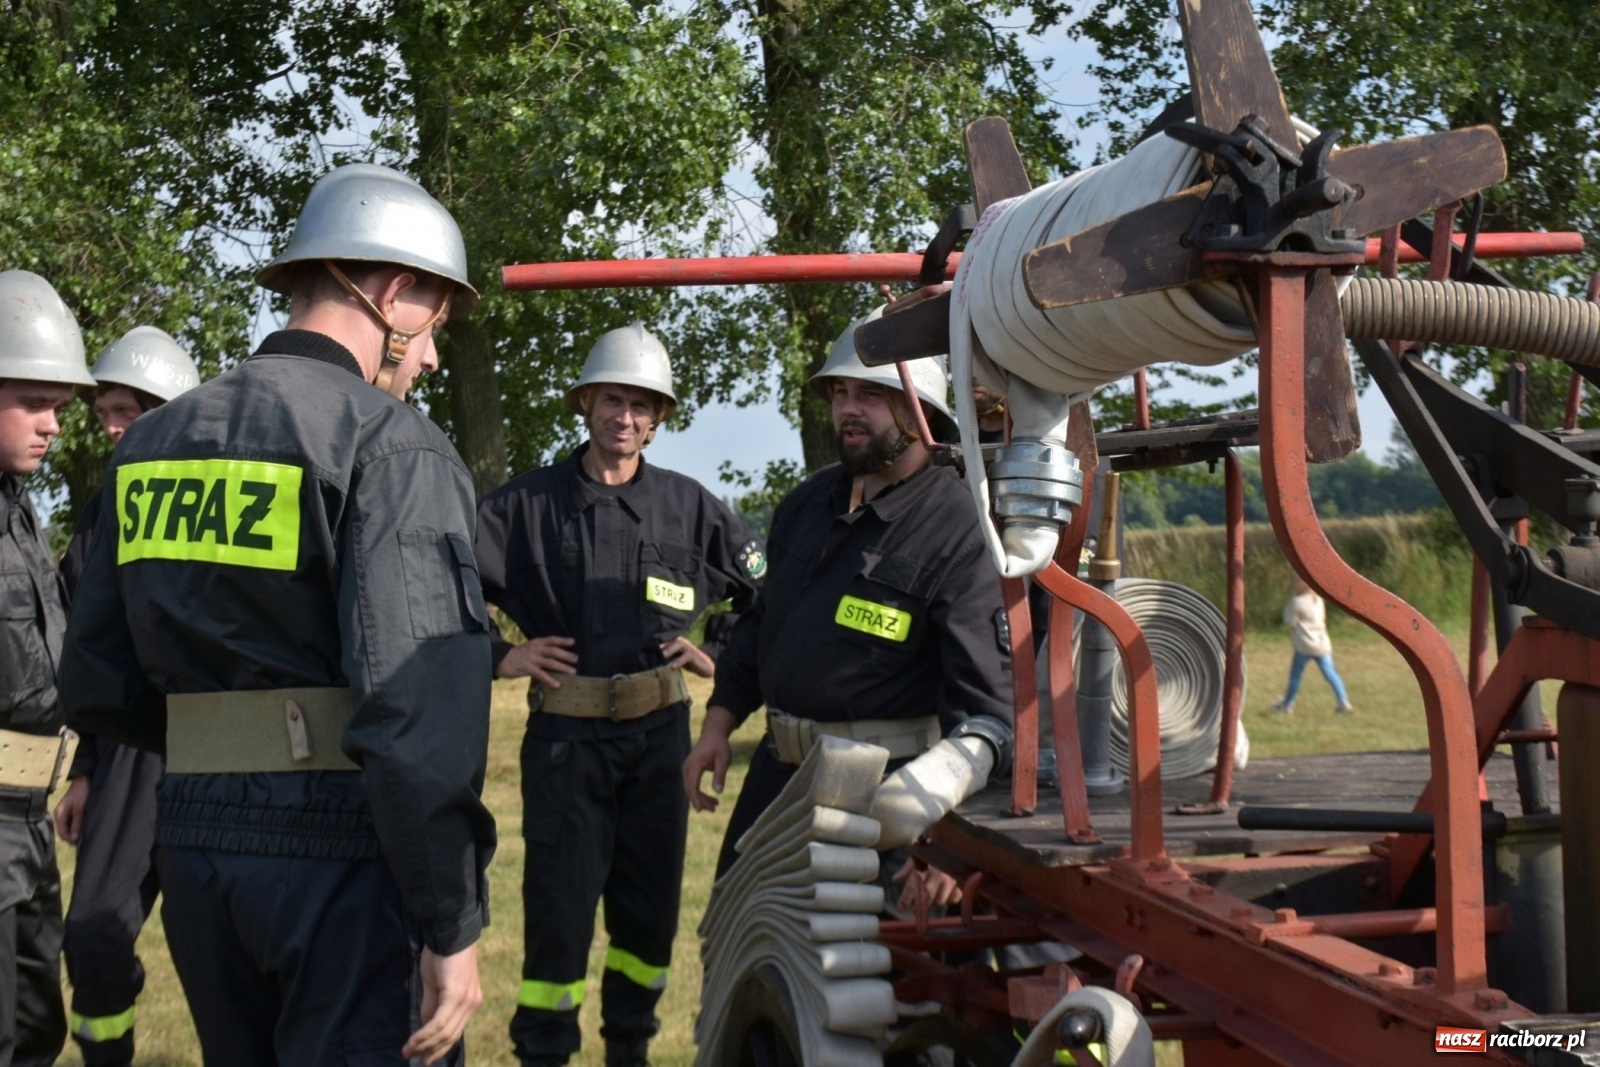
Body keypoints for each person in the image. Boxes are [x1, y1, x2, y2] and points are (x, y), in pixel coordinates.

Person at [59, 163, 497, 1067]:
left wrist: (227, 749)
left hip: (195, 847)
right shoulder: (390, 444)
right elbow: (415, 713)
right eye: (434, 328)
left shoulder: (148, 444)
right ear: (396, 292)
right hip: (341, 848)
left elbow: (99, 679)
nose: (431, 357)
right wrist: (451, 922)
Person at [475, 323, 765, 1067]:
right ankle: (543, 1052)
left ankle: (629, 1048)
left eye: (642, 405)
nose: (625, 418)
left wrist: (718, 656)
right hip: (565, 750)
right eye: (613, 400)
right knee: (559, 916)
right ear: (584, 403)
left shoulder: (690, 508)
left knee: (647, 915)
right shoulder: (523, 507)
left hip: (658, 742)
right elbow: (442, 592)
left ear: (659, 417)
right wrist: (506, 654)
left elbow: (763, 591)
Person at [683, 307, 1013, 891]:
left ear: (922, 410)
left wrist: (948, 846)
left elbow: (984, 704)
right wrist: (717, 725)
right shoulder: (808, 503)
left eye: (871, 393)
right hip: (777, 777)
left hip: (886, 797)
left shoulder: (961, 525)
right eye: (839, 393)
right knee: (742, 951)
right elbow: (762, 627)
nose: (848, 409)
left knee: (871, 972)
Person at [52, 325, 200, 1067]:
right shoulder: (99, 511)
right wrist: (82, 770)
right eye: (106, 412)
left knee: (225, 946)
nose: (110, 428)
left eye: (126, 412)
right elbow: (84, 649)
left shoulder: (215, 501)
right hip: (128, 755)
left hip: (220, 747)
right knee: (95, 929)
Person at [0, 269, 96, 1067]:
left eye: (60, 408)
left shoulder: (21, 511)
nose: (53, 426)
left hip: (27, 815)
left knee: (35, 1026)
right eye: (34, 403)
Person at [1271, 575, 1353, 714]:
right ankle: (1343, 701)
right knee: (1331, 674)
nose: (1295, 582)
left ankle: (1287, 704)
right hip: (1322, 645)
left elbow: (1289, 622)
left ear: (1304, 584)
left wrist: (1288, 607)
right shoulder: (1318, 600)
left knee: (1295, 675)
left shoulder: (1297, 602)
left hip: (1304, 646)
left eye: (1297, 580)